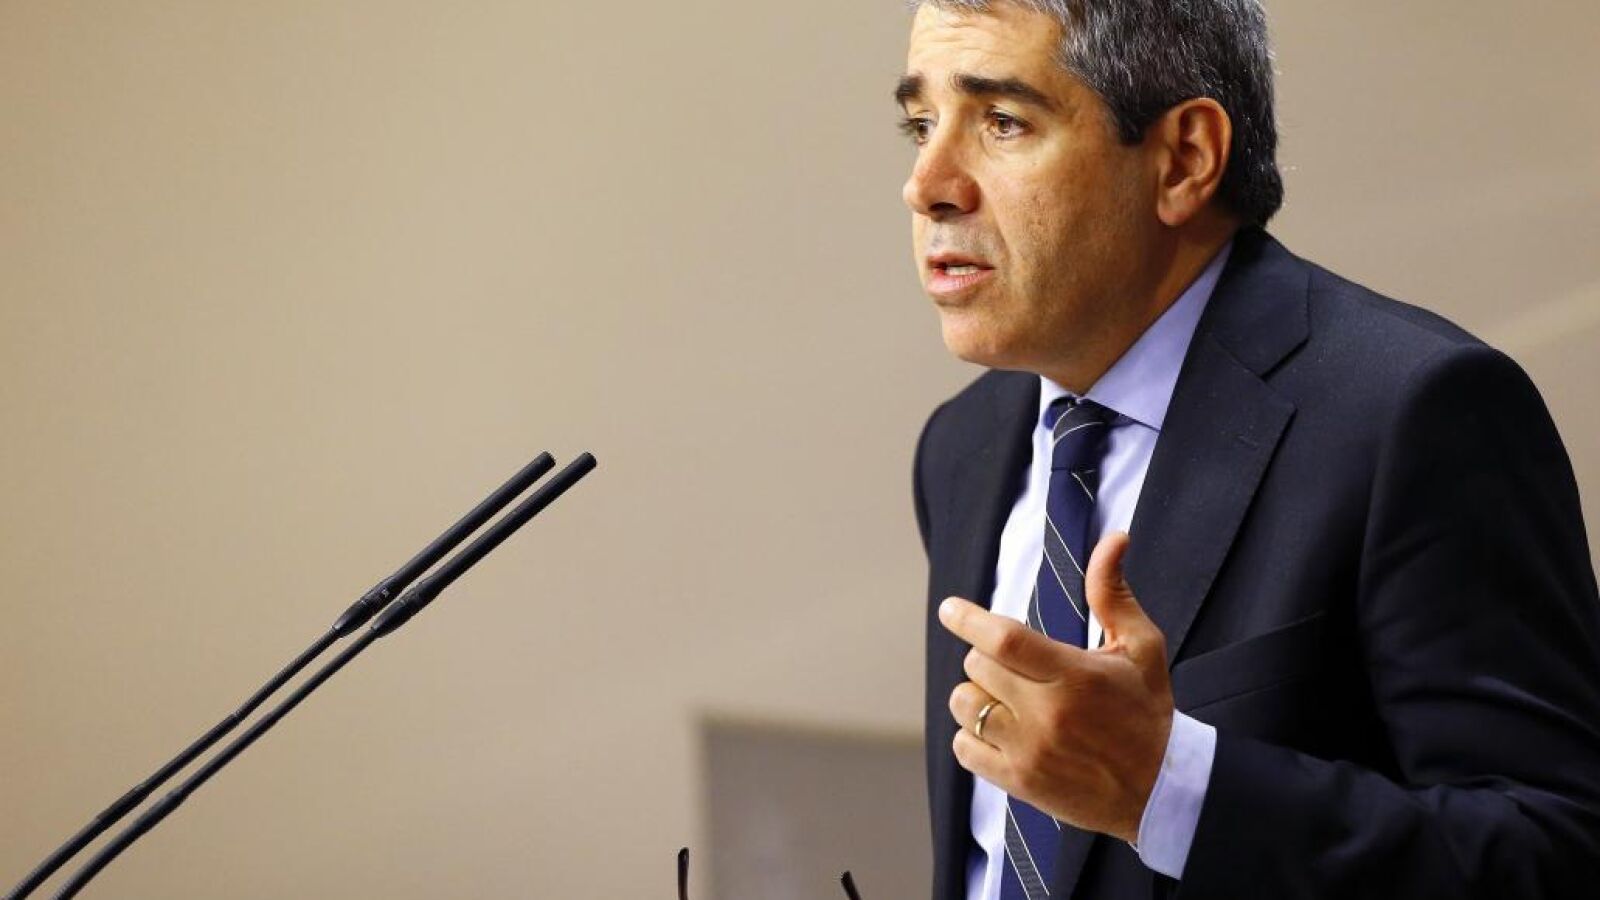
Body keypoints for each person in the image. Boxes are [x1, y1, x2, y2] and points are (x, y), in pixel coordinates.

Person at [900, 2, 1600, 899]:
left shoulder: (1415, 412)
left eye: (1002, 121)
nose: (927, 184)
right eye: (921, 124)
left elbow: (1555, 854)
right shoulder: (961, 445)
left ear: (1184, 158)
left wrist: (1169, 787)